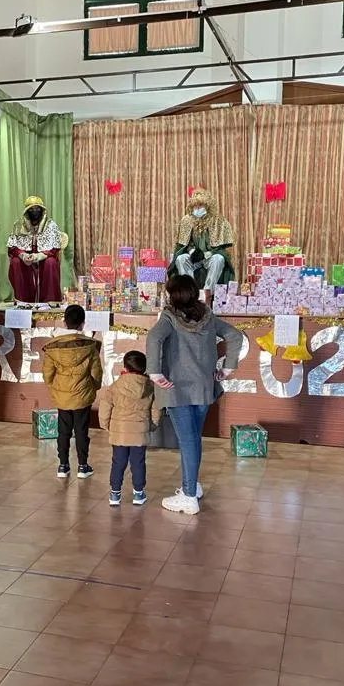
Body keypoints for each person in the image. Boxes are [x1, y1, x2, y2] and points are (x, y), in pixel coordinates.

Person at [148, 274, 243, 515]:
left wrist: (154, 372)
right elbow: (234, 335)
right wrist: (228, 367)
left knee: (188, 441)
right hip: (203, 387)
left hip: (176, 388)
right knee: (193, 439)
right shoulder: (208, 317)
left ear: (172, 294)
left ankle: (189, 495)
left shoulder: (169, 317)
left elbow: (153, 338)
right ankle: (192, 485)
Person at [42, 305, 102, 479]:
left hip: (62, 395)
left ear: (64, 322)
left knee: (63, 431)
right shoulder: (90, 346)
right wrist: (94, 387)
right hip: (82, 395)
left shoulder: (52, 347)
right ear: (83, 324)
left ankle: (63, 465)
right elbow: (96, 373)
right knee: (82, 431)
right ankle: (83, 466)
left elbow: (47, 374)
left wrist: (55, 386)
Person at [99, 350, 161, 507]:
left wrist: (105, 424)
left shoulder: (115, 386)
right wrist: (152, 425)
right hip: (140, 433)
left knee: (118, 462)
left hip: (119, 432)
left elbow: (105, 406)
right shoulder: (150, 387)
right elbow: (156, 408)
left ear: (125, 367)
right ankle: (138, 494)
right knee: (138, 462)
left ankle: (115, 494)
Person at [168, 187, 235, 293]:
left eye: (201, 205)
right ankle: (191, 291)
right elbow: (183, 245)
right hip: (193, 258)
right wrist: (191, 251)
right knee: (181, 258)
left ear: (207, 206)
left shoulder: (218, 221)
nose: (198, 208)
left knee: (219, 259)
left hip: (210, 258)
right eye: (195, 206)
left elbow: (221, 249)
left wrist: (206, 255)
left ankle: (207, 292)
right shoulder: (186, 220)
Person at [6, 195, 67, 303]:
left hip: (44, 256)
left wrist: (38, 256)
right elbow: (12, 247)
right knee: (15, 262)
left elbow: (54, 249)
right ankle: (22, 300)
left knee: (51, 263)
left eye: (37, 209)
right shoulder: (18, 225)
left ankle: (50, 300)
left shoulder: (51, 225)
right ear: (27, 211)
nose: (35, 211)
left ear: (42, 210)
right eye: (32, 209)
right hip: (25, 256)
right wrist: (23, 255)